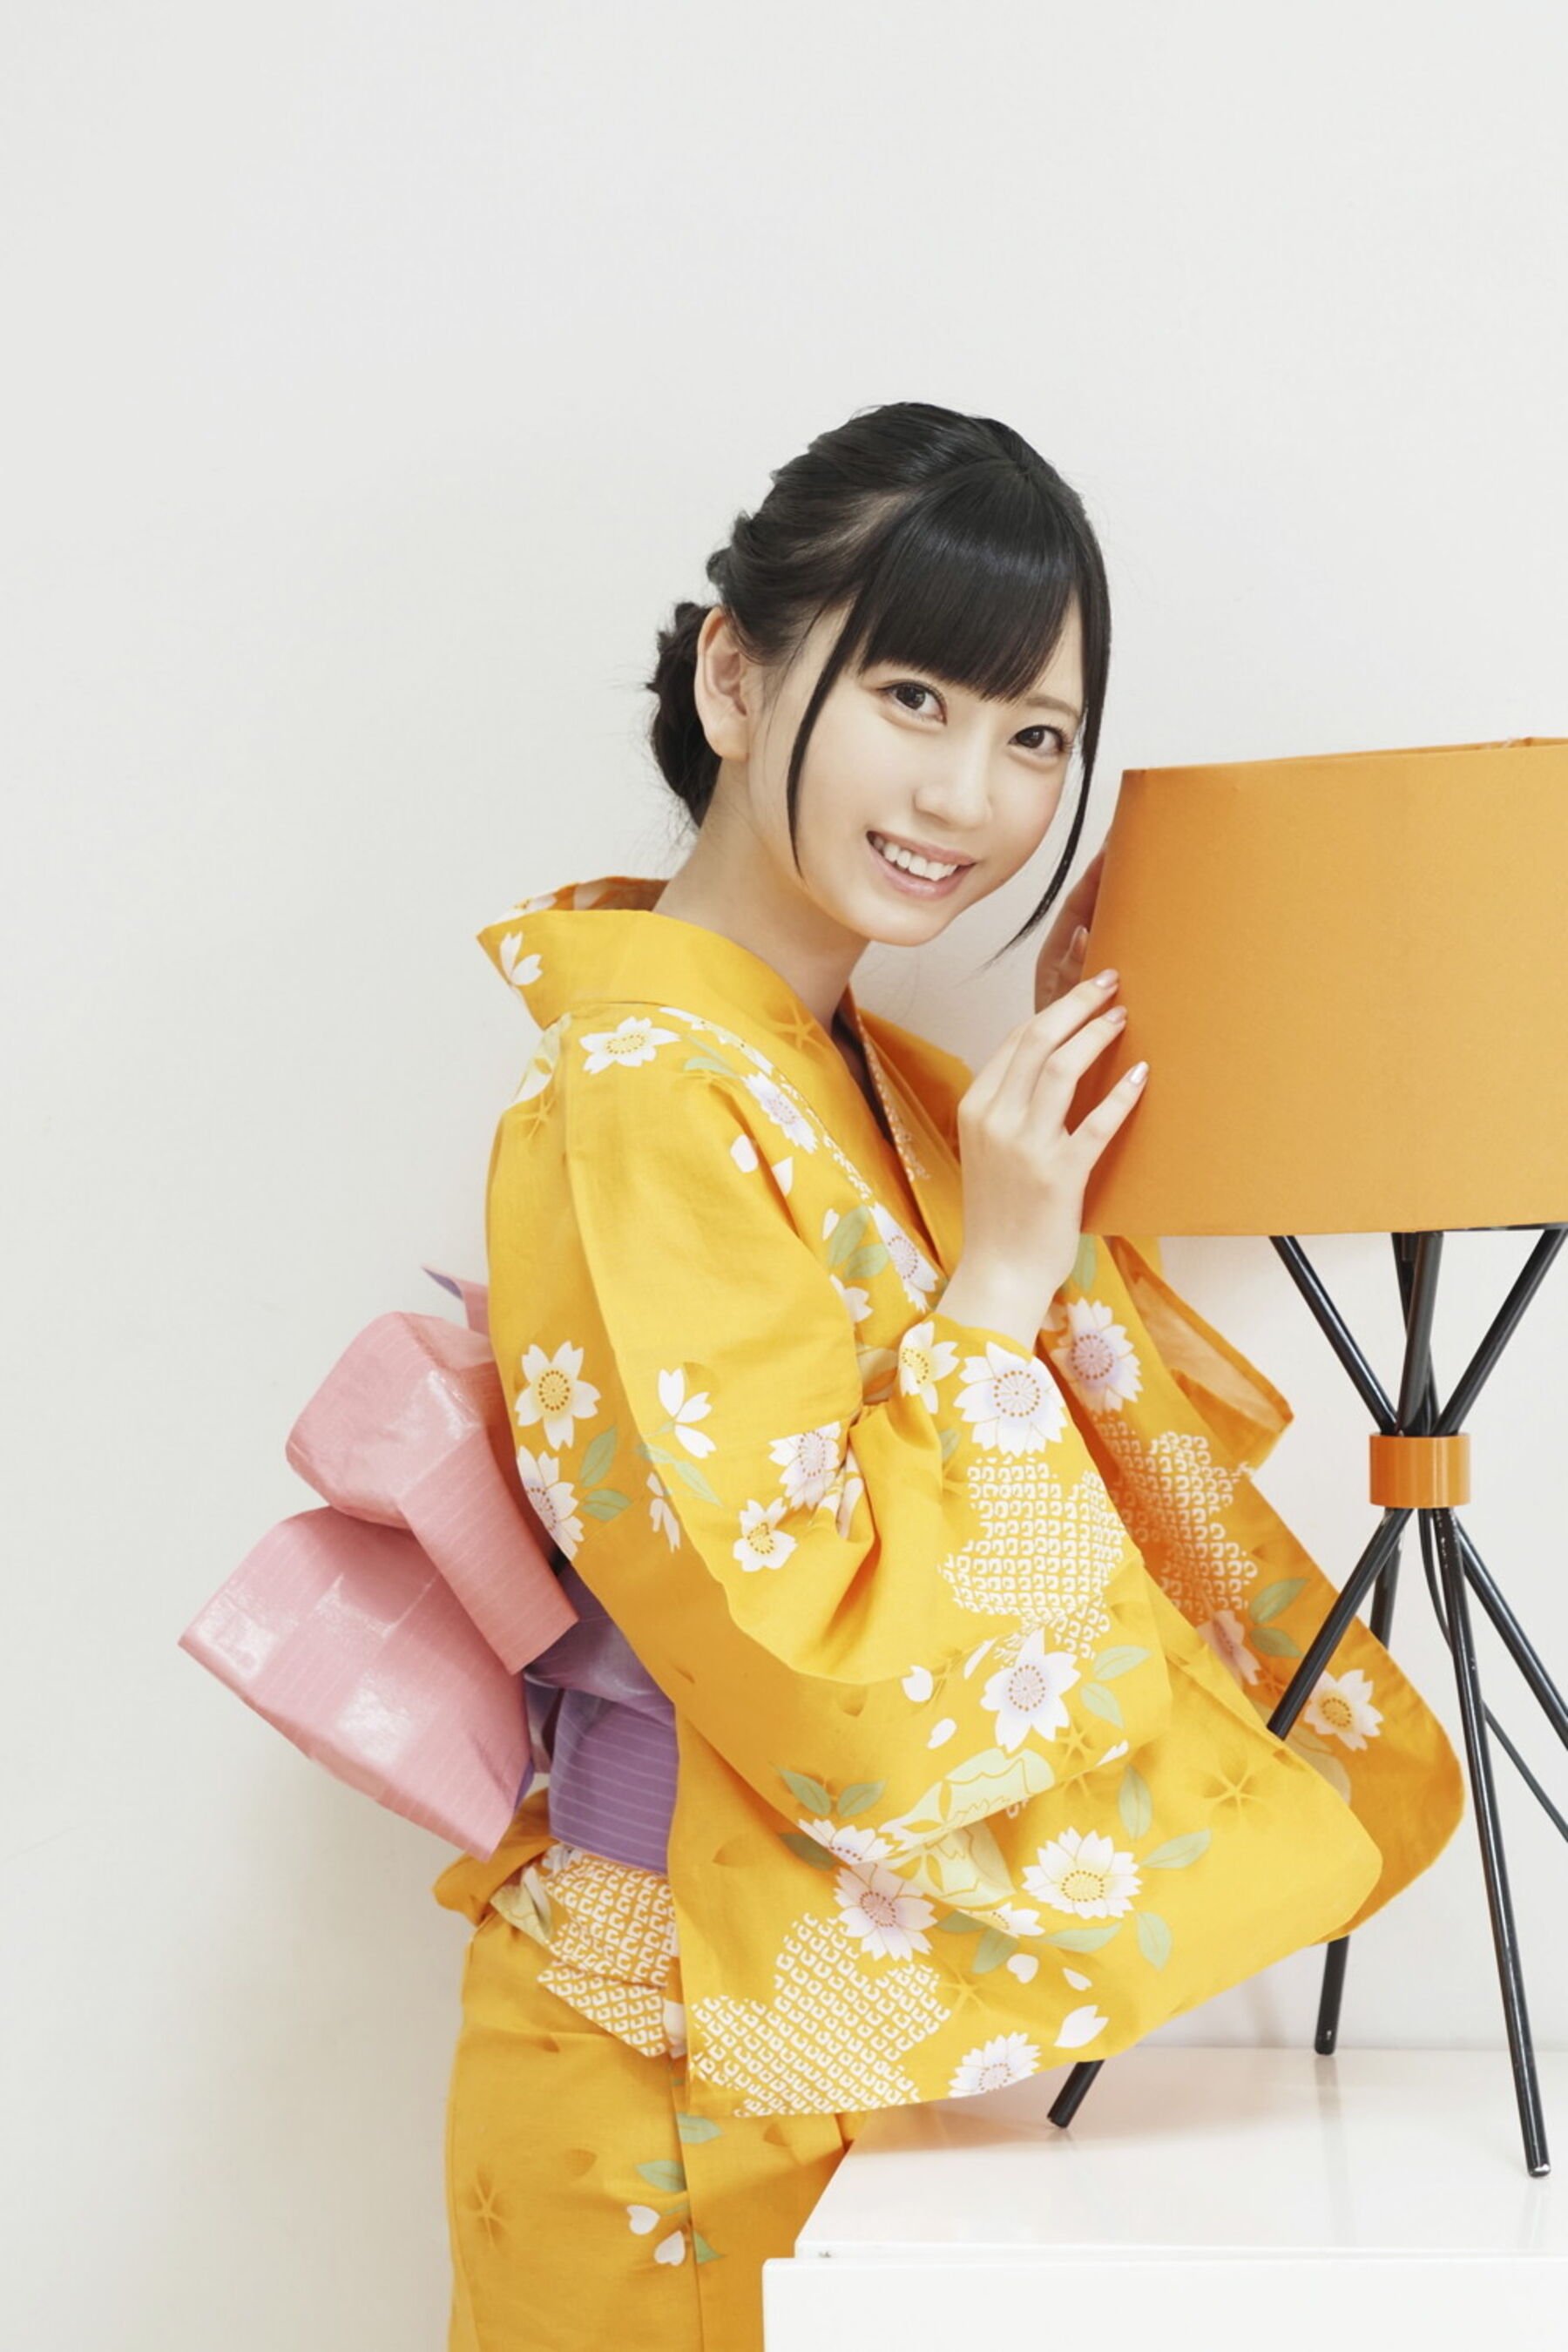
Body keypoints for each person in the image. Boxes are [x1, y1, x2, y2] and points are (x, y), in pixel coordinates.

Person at [429, 399, 1463, 2350]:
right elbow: (802, 1633)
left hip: (815, 2017)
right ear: (736, 679)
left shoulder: (847, 1073)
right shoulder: (643, 1089)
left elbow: (1075, 1466)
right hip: (670, 2045)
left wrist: (1038, 1208)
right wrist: (991, 1277)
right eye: (915, 696)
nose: (973, 792)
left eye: (1037, 736)